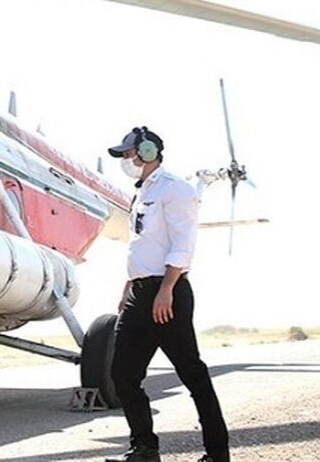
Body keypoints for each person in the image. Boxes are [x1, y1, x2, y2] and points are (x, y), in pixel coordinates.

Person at [104, 126, 230, 462]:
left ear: (148, 152)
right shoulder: (142, 193)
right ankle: (145, 449)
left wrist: (167, 289)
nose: (125, 160)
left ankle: (218, 454)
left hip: (167, 294)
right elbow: (142, 245)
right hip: (139, 294)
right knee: (122, 374)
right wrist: (129, 287)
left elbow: (183, 243)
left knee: (192, 375)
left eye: (128, 153)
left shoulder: (176, 189)